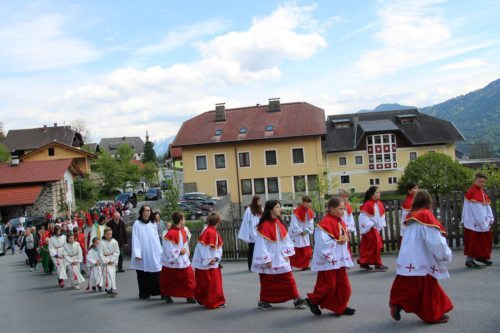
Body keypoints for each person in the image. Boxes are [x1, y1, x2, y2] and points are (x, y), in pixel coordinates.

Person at [389, 190, 453, 324]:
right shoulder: (426, 216)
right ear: (429, 202)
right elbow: (434, 241)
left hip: (408, 257)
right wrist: (445, 255)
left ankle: (398, 302)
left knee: (407, 284)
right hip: (422, 258)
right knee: (428, 287)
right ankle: (432, 315)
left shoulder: (411, 216)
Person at [305, 197, 355, 316]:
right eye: (340, 209)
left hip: (339, 259)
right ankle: (312, 301)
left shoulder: (340, 221)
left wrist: (344, 240)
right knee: (329, 286)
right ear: (331, 209)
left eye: (343, 209)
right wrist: (338, 242)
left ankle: (340, 306)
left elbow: (342, 237)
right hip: (329, 260)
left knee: (344, 286)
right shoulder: (324, 224)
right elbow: (322, 243)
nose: (343, 211)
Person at [252, 200, 305, 310]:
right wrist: (266, 259)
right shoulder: (264, 225)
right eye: (277, 207)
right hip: (271, 257)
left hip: (280, 256)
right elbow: (261, 245)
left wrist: (286, 253)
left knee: (288, 277)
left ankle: (296, 298)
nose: (280, 209)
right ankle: (263, 300)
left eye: (280, 207)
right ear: (271, 209)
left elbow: (285, 240)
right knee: (267, 280)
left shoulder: (278, 223)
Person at [159, 211, 196, 304]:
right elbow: (168, 249)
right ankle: (167, 295)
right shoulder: (170, 233)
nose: (184, 220)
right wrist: (179, 252)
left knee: (189, 277)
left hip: (183, 259)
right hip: (173, 261)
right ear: (180, 220)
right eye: (183, 218)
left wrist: (186, 252)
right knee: (170, 280)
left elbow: (184, 244)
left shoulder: (183, 230)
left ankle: (189, 296)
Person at [192, 212, 226, 309]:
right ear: (218, 222)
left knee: (203, 284)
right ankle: (214, 302)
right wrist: (210, 259)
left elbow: (218, 247)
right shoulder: (210, 232)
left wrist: (216, 258)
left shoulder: (208, 231)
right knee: (213, 285)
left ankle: (202, 299)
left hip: (207, 263)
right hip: (209, 265)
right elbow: (204, 247)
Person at [462, 173, 494, 268]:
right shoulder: (473, 192)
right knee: (474, 241)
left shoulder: (481, 191)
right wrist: (483, 223)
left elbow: (487, 206)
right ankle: (469, 260)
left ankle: (481, 257)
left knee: (484, 241)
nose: (482, 183)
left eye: (484, 182)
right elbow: (477, 211)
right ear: (475, 181)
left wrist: (490, 218)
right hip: (475, 223)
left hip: (483, 222)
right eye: (480, 181)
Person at [131, 205, 162, 300]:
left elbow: (156, 238)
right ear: (142, 212)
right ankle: (144, 293)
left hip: (153, 252)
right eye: (146, 210)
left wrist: (160, 251)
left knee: (156, 272)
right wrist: (137, 253)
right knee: (142, 274)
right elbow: (135, 239)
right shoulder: (137, 223)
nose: (148, 212)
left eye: (149, 210)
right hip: (142, 253)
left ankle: (157, 292)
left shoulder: (153, 223)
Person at [357, 186, 388, 271]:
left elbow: (381, 216)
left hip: (375, 228)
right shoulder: (367, 204)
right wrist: (371, 225)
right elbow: (363, 218)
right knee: (376, 245)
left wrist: (379, 225)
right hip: (370, 228)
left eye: (379, 192)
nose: (379, 194)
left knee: (369, 247)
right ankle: (378, 264)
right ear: (372, 194)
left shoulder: (380, 203)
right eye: (377, 192)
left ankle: (364, 263)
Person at [288, 196, 314, 270]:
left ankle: (305, 265)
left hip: (305, 233)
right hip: (297, 234)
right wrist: (300, 231)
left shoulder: (310, 212)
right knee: (296, 251)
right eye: (307, 202)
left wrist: (307, 231)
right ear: (303, 202)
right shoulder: (296, 212)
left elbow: (311, 223)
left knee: (307, 251)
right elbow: (294, 224)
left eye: (309, 202)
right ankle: (290, 264)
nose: (308, 204)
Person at [238, 195, 262, 271]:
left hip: (259, 232)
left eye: (260, 201)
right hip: (252, 232)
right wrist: (248, 233)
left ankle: (258, 264)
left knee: (259, 249)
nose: (259, 203)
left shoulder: (261, 209)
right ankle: (250, 265)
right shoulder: (249, 210)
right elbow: (246, 222)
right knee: (252, 250)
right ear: (255, 201)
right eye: (258, 201)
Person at [99, 227, 120, 297]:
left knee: (112, 275)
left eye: (110, 234)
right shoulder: (101, 243)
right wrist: (106, 261)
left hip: (112, 260)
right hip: (105, 261)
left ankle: (110, 288)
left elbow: (117, 252)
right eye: (107, 234)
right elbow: (100, 253)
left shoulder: (114, 242)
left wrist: (112, 260)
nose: (109, 235)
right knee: (108, 275)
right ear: (104, 234)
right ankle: (111, 289)